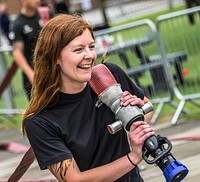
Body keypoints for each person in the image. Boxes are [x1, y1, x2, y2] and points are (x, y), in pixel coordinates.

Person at [21, 13, 155, 182]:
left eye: (91, 47)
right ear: (54, 56)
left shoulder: (108, 75)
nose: (90, 55)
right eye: (78, 49)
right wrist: (133, 158)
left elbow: (148, 108)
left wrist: (136, 116)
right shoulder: (40, 122)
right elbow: (75, 179)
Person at [9, 0, 42, 100]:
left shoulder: (44, 15)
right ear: (23, 1)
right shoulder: (18, 24)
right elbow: (17, 52)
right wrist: (31, 74)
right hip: (35, 75)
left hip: (53, 71)